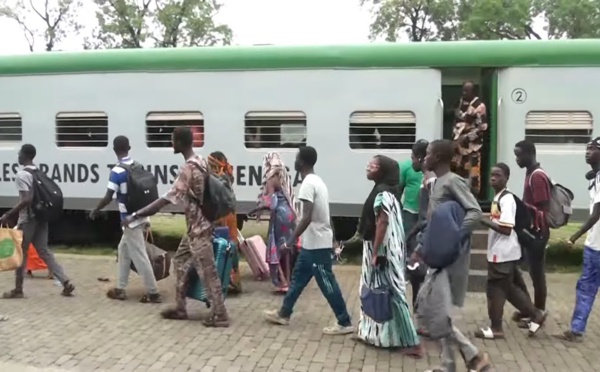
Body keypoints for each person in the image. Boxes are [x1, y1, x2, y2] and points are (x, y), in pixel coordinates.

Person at [122, 127, 229, 327]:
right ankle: (180, 307)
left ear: (180, 142)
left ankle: (220, 314)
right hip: (196, 228)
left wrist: (136, 215)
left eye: (172, 140)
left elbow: (165, 199)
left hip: (200, 228)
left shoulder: (188, 168)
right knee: (179, 261)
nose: (171, 144)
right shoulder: (201, 161)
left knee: (208, 271)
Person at [263, 146, 353, 335]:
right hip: (311, 243)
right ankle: (284, 313)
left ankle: (344, 321)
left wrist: (290, 240)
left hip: (317, 244)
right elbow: (326, 214)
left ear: (302, 162)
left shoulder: (308, 184)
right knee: (297, 279)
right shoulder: (317, 181)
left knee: (327, 283)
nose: (294, 162)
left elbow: (307, 216)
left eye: (296, 158)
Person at [417, 139, 490, 372]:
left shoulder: (452, 181)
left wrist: (456, 235)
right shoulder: (436, 183)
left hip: (447, 257)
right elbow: (434, 221)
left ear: (437, 157)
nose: (424, 157)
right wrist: (421, 248)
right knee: (436, 310)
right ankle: (450, 365)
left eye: (427, 153)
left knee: (433, 309)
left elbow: (475, 211)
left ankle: (474, 355)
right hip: (436, 253)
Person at [355, 155, 423, 356]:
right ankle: (369, 333)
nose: (369, 166)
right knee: (370, 290)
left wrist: (376, 252)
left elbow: (382, 224)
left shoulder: (383, 194)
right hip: (380, 249)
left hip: (384, 251)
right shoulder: (386, 191)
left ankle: (413, 343)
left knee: (393, 294)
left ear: (383, 171)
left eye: (373, 165)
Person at [476, 163, 546, 339]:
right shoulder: (498, 197)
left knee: (498, 289)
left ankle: (499, 327)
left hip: (503, 252)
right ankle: (533, 314)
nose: (493, 178)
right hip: (502, 252)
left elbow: (506, 228)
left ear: (506, 178)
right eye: (492, 175)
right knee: (507, 289)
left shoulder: (506, 200)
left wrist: (483, 221)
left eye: (498, 175)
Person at [89, 136, 161, 303]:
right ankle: (120, 289)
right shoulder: (138, 166)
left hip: (129, 220)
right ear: (129, 147)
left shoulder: (117, 171)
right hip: (142, 214)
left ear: (114, 150)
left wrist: (96, 209)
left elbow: (108, 196)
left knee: (140, 256)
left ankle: (153, 292)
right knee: (123, 250)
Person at [0, 144, 75, 298]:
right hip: (42, 216)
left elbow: (27, 199)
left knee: (21, 252)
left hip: (28, 219)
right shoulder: (37, 171)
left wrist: (9, 213)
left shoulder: (22, 175)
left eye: (20, 153)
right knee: (43, 250)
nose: (18, 156)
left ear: (25, 155)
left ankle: (18, 290)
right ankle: (65, 281)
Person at [556, 138, 600, 342]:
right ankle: (576, 330)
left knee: (587, 286)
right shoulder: (595, 178)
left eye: (593, 149)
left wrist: (574, 237)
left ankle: (576, 330)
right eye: (587, 148)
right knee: (586, 286)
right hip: (594, 245)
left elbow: (596, 214)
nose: (587, 152)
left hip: (597, 246)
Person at [513, 139, 550, 326]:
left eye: (519, 155)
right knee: (529, 271)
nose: (517, 159)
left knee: (537, 275)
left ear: (529, 153)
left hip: (538, 232)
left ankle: (538, 314)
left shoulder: (537, 176)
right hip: (530, 230)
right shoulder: (530, 173)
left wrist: (523, 209)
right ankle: (530, 309)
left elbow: (543, 208)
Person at [249, 152, 298, 293]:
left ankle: (282, 282)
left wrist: (258, 208)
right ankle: (289, 279)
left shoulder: (271, 180)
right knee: (287, 248)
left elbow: (272, 204)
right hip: (289, 214)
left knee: (276, 249)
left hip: (280, 216)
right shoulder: (283, 177)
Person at [207, 151, 242, 295]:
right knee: (232, 246)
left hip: (222, 217)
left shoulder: (217, 178)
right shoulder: (226, 175)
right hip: (231, 216)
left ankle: (226, 281)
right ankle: (234, 280)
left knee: (223, 248)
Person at [401, 139, 428, 308]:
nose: (411, 161)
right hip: (410, 213)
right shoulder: (406, 168)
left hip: (423, 223)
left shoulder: (430, 180)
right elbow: (399, 189)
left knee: (419, 258)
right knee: (412, 254)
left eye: (413, 157)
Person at [452, 81, 487, 196]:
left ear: (473, 91)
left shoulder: (479, 106)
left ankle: (473, 199)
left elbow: (483, 127)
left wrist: (467, 137)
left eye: (467, 91)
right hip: (458, 148)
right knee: (458, 174)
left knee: (472, 178)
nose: (464, 93)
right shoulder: (460, 102)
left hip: (472, 149)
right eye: (463, 90)